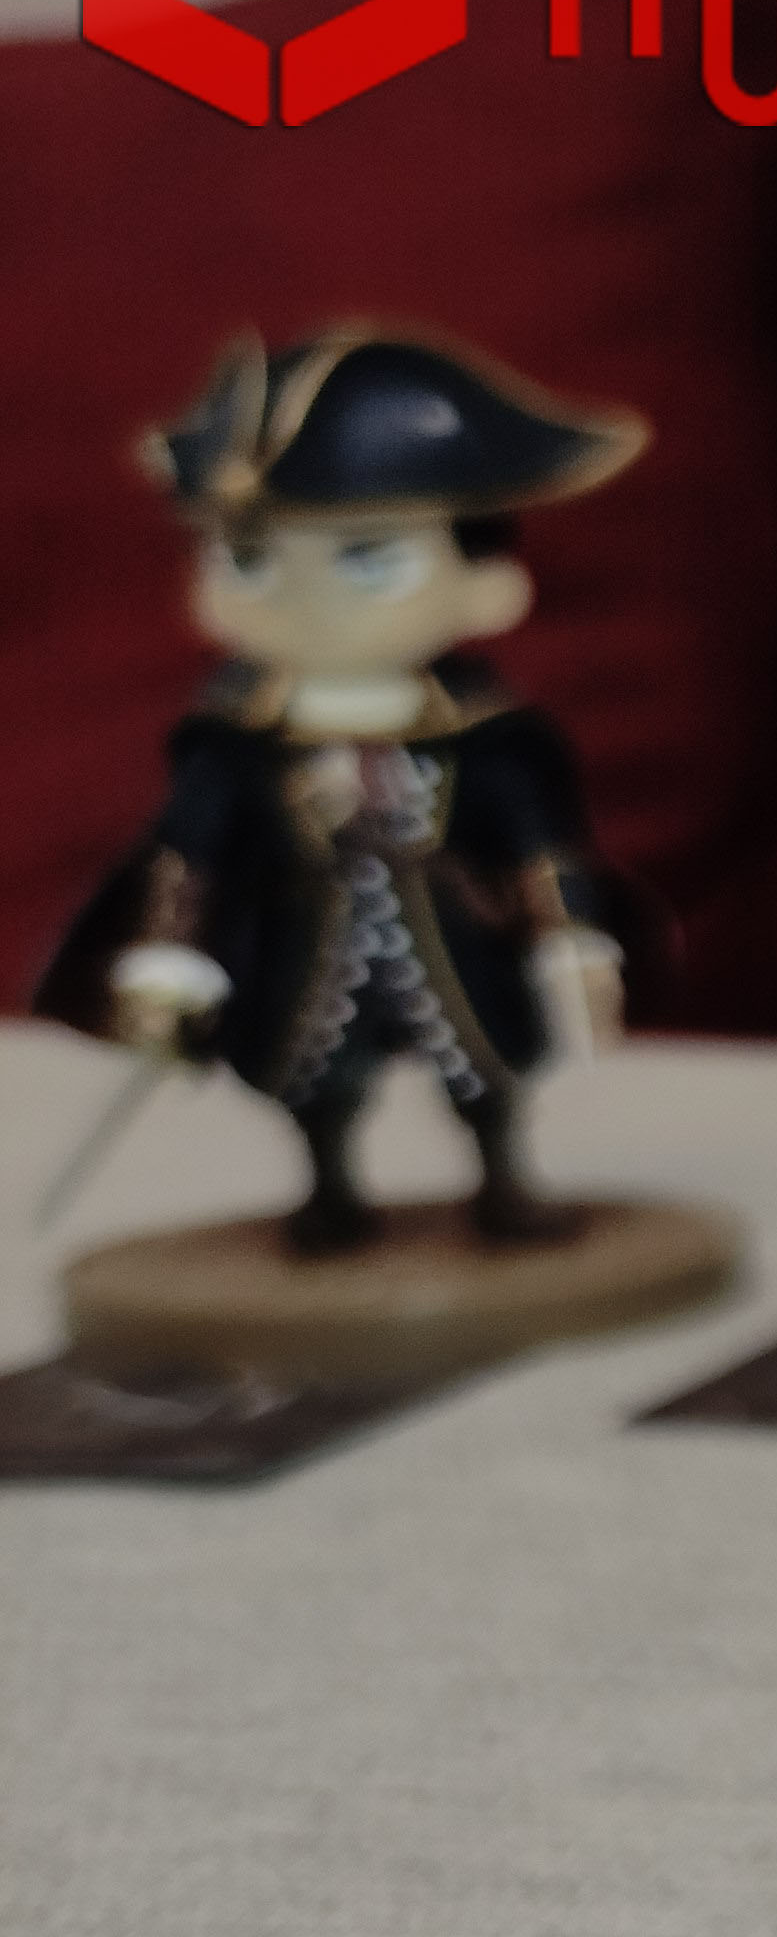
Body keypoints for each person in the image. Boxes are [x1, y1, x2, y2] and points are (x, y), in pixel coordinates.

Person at [32, 330, 644, 1254]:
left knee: (482, 1063)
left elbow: (536, 838)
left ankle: (500, 1179)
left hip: (453, 928)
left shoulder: (487, 739)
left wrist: (568, 932)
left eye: (368, 561)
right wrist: (168, 954)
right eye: (250, 561)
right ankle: (328, 1190)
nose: (304, 603)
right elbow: (193, 848)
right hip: (302, 933)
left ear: (488, 585)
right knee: (313, 1074)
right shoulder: (237, 746)